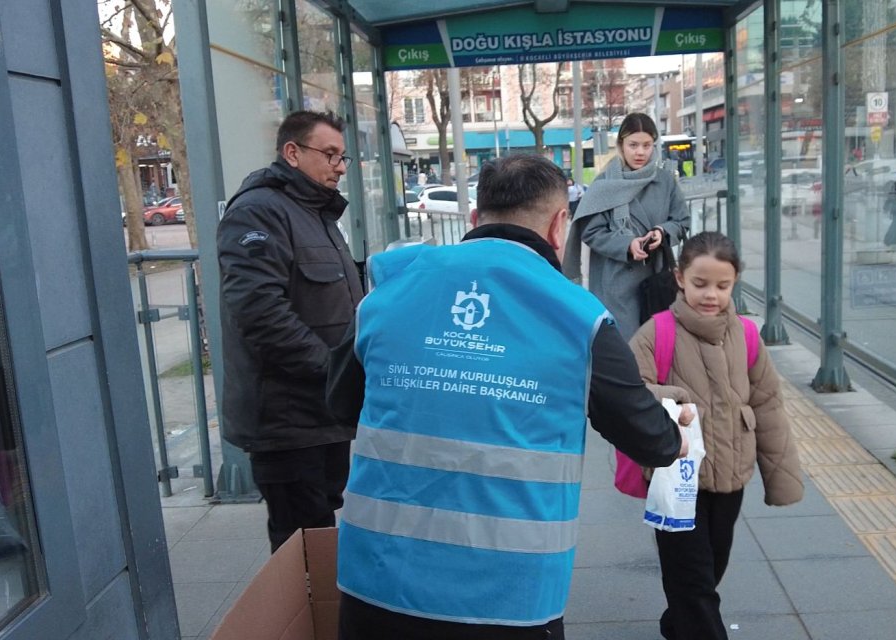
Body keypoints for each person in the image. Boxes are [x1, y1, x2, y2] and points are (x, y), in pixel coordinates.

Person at [327, 154, 689, 640]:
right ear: (560, 226)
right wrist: (676, 437)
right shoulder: (577, 318)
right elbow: (650, 439)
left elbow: (340, 404)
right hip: (506, 597)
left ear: (475, 219)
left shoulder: (391, 289)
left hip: (378, 582)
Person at [628, 231, 804, 640]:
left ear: (735, 281)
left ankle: (678, 624)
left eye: (722, 286)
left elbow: (768, 405)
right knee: (692, 577)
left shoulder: (746, 335)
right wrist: (673, 398)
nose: (711, 295)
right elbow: (629, 393)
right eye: (700, 284)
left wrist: (782, 479)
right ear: (679, 278)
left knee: (711, 567)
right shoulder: (656, 333)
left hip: (729, 477)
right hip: (676, 477)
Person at [216, 110, 365, 552]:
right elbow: (259, 311)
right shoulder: (260, 211)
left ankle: (321, 615)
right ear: (292, 153)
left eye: (343, 157)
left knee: (319, 528)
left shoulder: (314, 212)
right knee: (302, 541)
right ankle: (305, 620)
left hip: (322, 412)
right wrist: (332, 368)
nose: (339, 166)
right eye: (330, 154)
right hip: (286, 416)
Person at [565, 112, 691, 339]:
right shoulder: (604, 184)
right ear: (621, 145)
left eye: (646, 145)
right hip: (615, 282)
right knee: (627, 348)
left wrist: (662, 232)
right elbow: (591, 232)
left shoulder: (665, 181)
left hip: (657, 278)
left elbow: (681, 221)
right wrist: (627, 244)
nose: (640, 152)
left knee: (659, 344)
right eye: (633, 145)